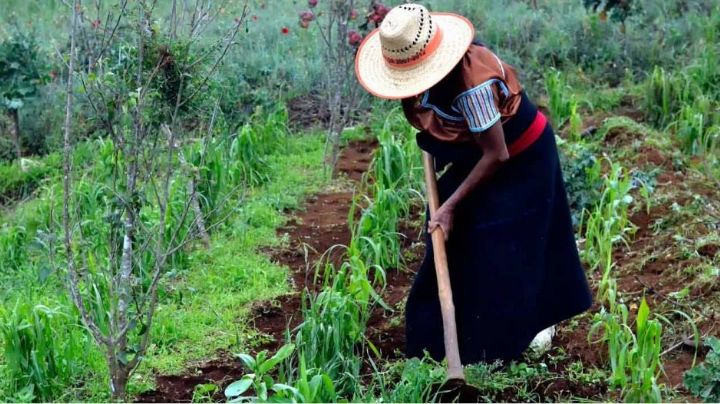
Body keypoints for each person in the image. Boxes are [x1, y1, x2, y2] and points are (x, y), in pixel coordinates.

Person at [354, 4, 593, 364]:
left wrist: (449, 206)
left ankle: (508, 341)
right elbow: (441, 121)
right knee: (451, 235)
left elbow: (497, 155)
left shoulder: (473, 88)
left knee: (502, 245)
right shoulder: (428, 74)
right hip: (482, 153)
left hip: (521, 158)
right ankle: (441, 341)